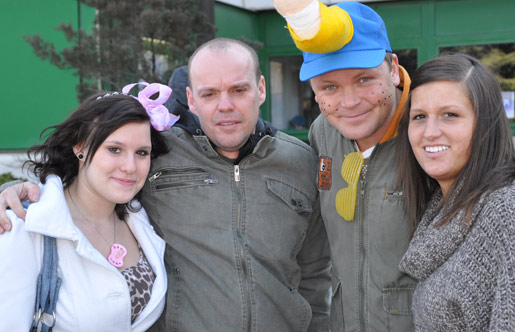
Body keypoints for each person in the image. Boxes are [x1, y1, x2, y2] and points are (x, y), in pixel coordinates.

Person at [0, 38, 331, 331]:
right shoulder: (159, 152)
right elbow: (94, 176)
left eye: (238, 90)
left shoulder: (301, 162)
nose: (225, 105)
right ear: (190, 98)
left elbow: (315, 273)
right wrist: (21, 191)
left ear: (260, 88)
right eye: (209, 93)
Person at [270, 0, 515, 331]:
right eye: (329, 87)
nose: (349, 102)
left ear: (392, 68)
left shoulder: (429, 126)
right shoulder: (324, 131)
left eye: (364, 80)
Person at [396, 53, 515, 331]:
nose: (430, 132)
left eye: (450, 115)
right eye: (419, 116)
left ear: (485, 125)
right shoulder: (441, 208)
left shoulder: (513, 211)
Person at [0, 83, 171, 331]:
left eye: (142, 152)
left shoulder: (143, 218)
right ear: (79, 147)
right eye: (114, 149)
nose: (130, 166)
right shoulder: (24, 227)